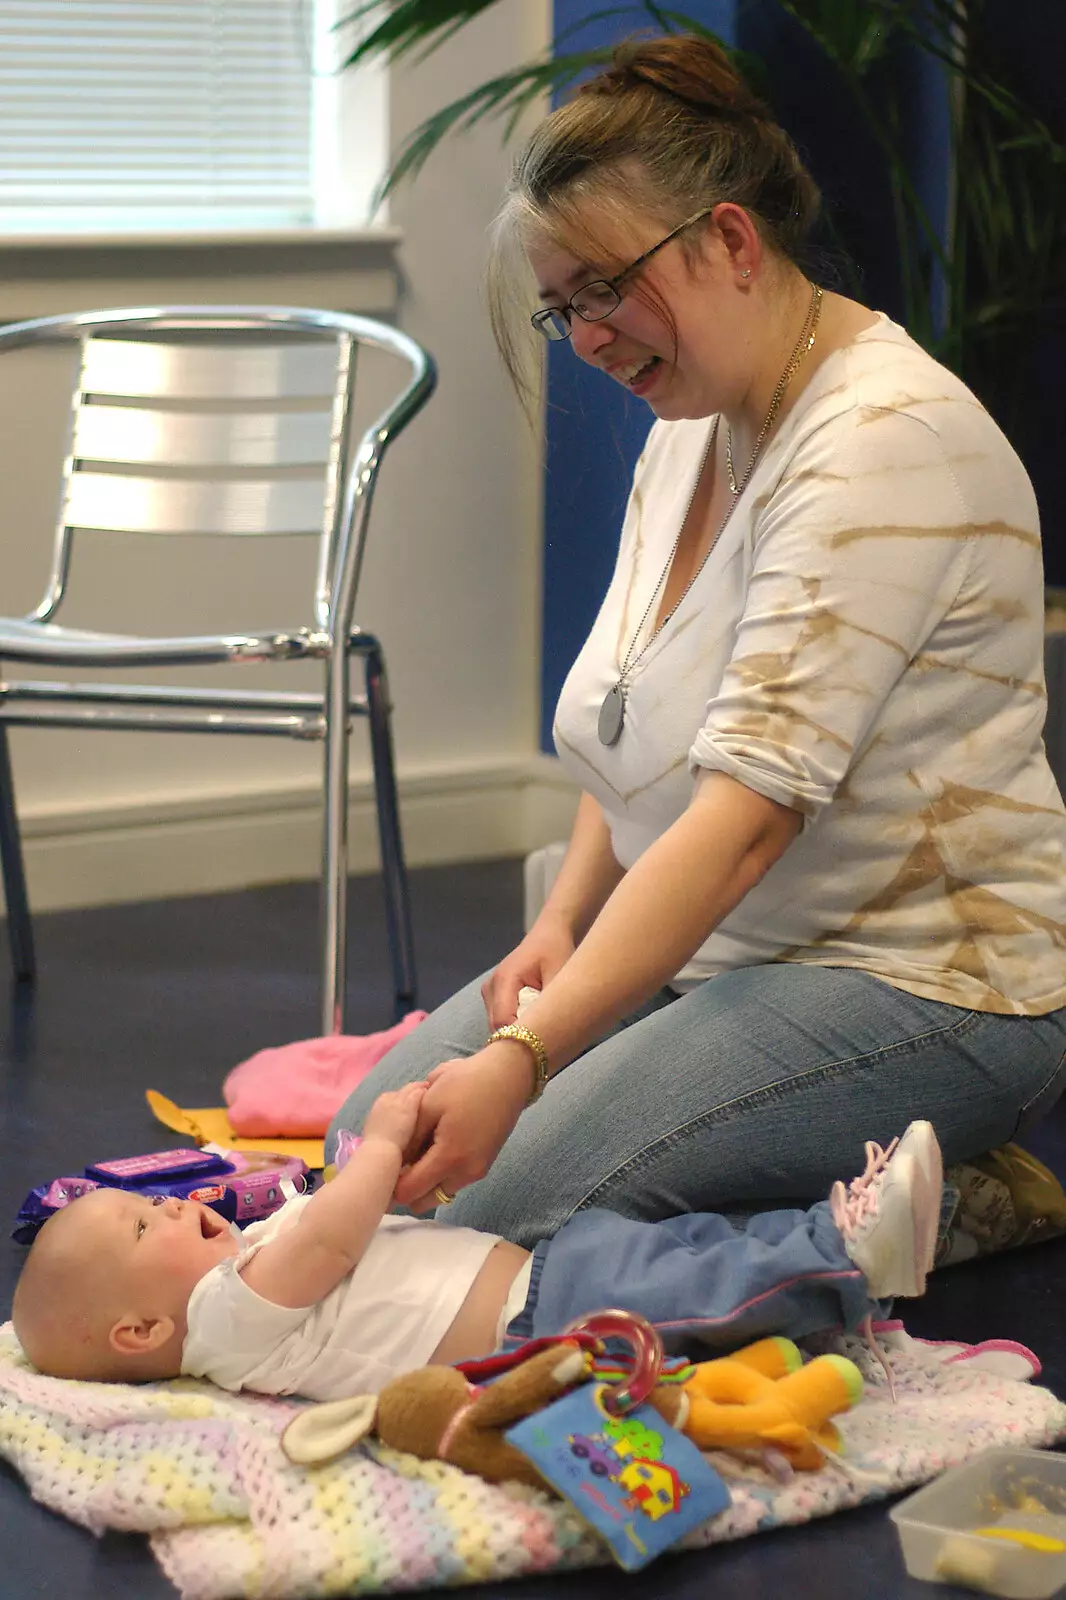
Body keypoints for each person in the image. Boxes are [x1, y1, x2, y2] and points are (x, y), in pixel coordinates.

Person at [326, 31, 1066, 1251]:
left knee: (493, 1218)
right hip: (724, 953)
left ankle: (915, 1193)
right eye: (563, 309)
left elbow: (740, 825)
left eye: (605, 288)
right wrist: (558, 930)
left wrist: (526, 1051)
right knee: (370, 1147)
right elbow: (633, 718)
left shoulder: (882, 440)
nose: (593, 338)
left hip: (927, 981)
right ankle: (829, 1166)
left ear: (730, 238)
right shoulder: (690, 423)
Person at [12, 1086, 942, 1401]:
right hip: (541, 1326)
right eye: (145, 1224)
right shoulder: (224, 1321)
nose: (172, 1207)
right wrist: (377, 1148)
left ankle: (844, 1245)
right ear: (139, 1332)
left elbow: (335, 1228)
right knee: (705, 1289)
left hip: (544, 1278)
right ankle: (847, 1254)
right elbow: (334, 1243)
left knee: (694, 1249)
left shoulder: (242, 1270)